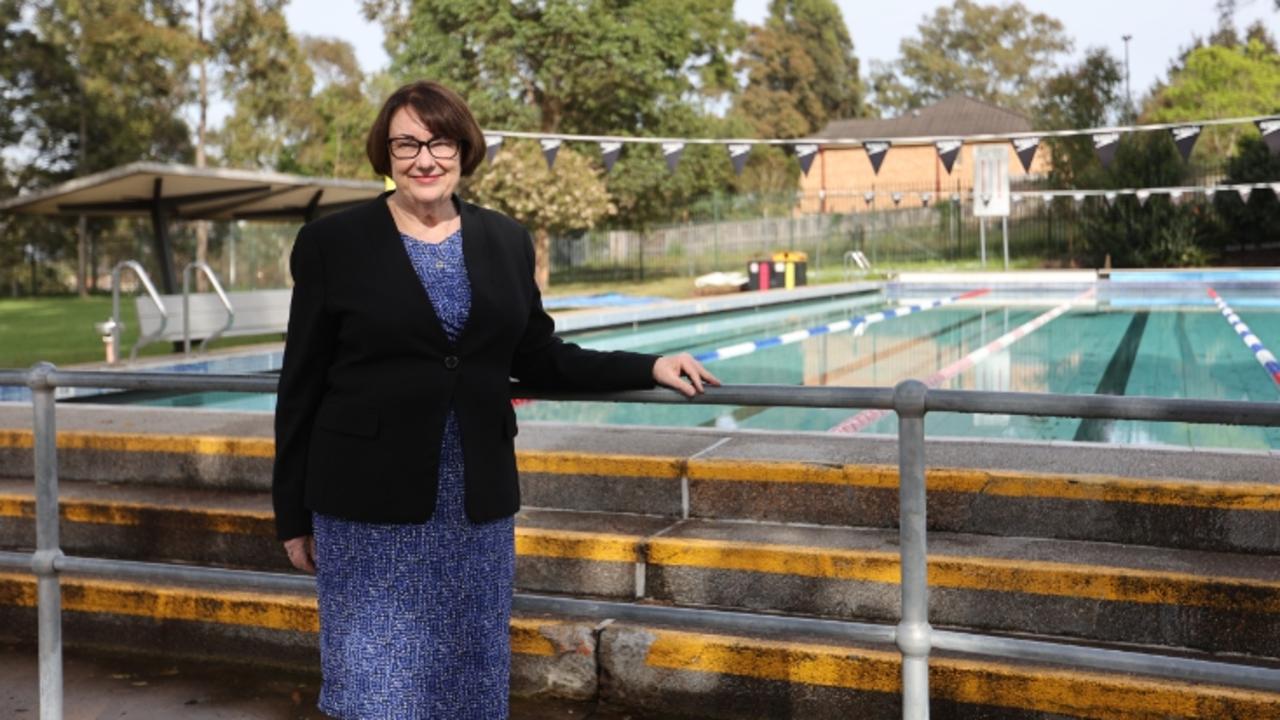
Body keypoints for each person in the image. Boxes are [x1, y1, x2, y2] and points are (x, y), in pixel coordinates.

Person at [271, 80, 719, 720]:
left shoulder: (505, 241)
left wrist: (648, 364)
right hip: (365, 506)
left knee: (469, 681)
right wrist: (292, 513)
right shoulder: (332, 244)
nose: (424, 159)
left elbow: (539, 356)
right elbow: (301, 384)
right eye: (406, 143)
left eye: (439, 142)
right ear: (385, 152)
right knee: (376, 687)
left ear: (463, 148)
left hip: (473, 505)